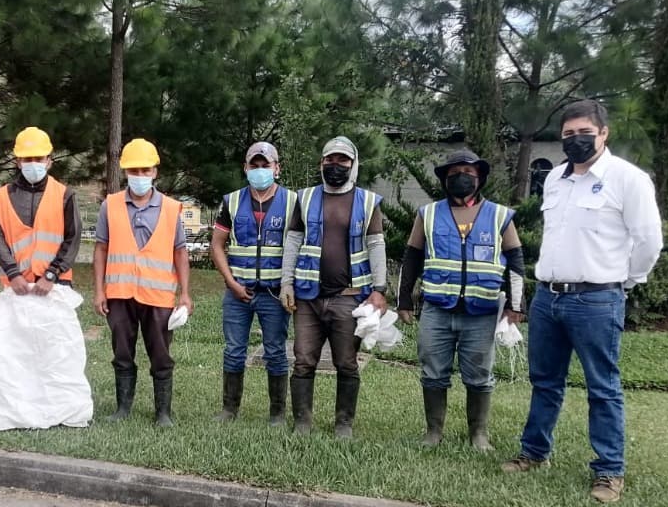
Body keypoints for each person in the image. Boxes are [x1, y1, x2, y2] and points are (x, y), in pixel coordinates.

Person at [506, 100, 664, 503]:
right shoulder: (556, 178)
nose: (576, 140)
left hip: (596, 300)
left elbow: (648, 240)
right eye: (569, 134)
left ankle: (609, 472)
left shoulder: (627, 179)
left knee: (603, 387)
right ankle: (534, 453)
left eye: (584, 132)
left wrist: (624, 281)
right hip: (548, 298)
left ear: (603, 132)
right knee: (544, 382)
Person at [397, 150, 525, 450]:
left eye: (468, 171)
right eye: (453, 173)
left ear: (479, 178)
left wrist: (515, 305)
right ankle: (433, 432)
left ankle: (478, 434)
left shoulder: (499, 216)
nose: (461, 177)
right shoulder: (427, 215)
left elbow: (516, 261)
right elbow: (411, 258)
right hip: (437, 309)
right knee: (432, 371)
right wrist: (403, 300)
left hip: (482, 311)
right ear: (444, 179)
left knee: (480, 375)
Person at [279, 136, 388, 438]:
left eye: (343, 161)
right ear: (321, 163)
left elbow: (376, 245)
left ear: (353, 165)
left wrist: (379, 289)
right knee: (303, 360)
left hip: (349, 299)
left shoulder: (367, 202)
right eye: (330, 160)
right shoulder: (306, 197)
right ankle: (302, 422)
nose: (335, 165)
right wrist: (286, 282)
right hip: (308, 297)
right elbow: (293, 241)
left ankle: (343, 424)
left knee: (346, 363)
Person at [93, 138, 193, 427]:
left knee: (161, 355)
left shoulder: (172, 209)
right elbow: (101, 248)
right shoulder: (109, 206)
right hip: (120, 295)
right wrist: (99, 290)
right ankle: (123, 408)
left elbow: (180, 252)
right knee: (122, 353)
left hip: (158, 296)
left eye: (144, 170)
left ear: (155, 172)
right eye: (133, 170)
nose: (139, 176)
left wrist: (185, 294)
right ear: (125, 171)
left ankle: (163, 412)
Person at [210, 141, 296, 425]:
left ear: (277, 168)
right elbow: (217, 246)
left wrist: (288, 285)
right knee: (234, 350)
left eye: (265, 165)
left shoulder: (293, 202)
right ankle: (229, 409)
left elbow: (299, 246)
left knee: (276, 352)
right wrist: (231, 282)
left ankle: (277, 414)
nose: (260, 170)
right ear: (245, 168)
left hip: (275, 294)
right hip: (238, 292)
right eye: (254, 165)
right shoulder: (232, 201)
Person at [0, 126, 81, 293]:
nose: (33, 164)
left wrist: (52, 274)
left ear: (49, 161)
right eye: (27, 158)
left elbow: (73, 238)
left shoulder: (64, 195)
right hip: (16, 285)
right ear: (18, 162)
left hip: (55, 283)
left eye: (39, 159)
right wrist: (13, 274)